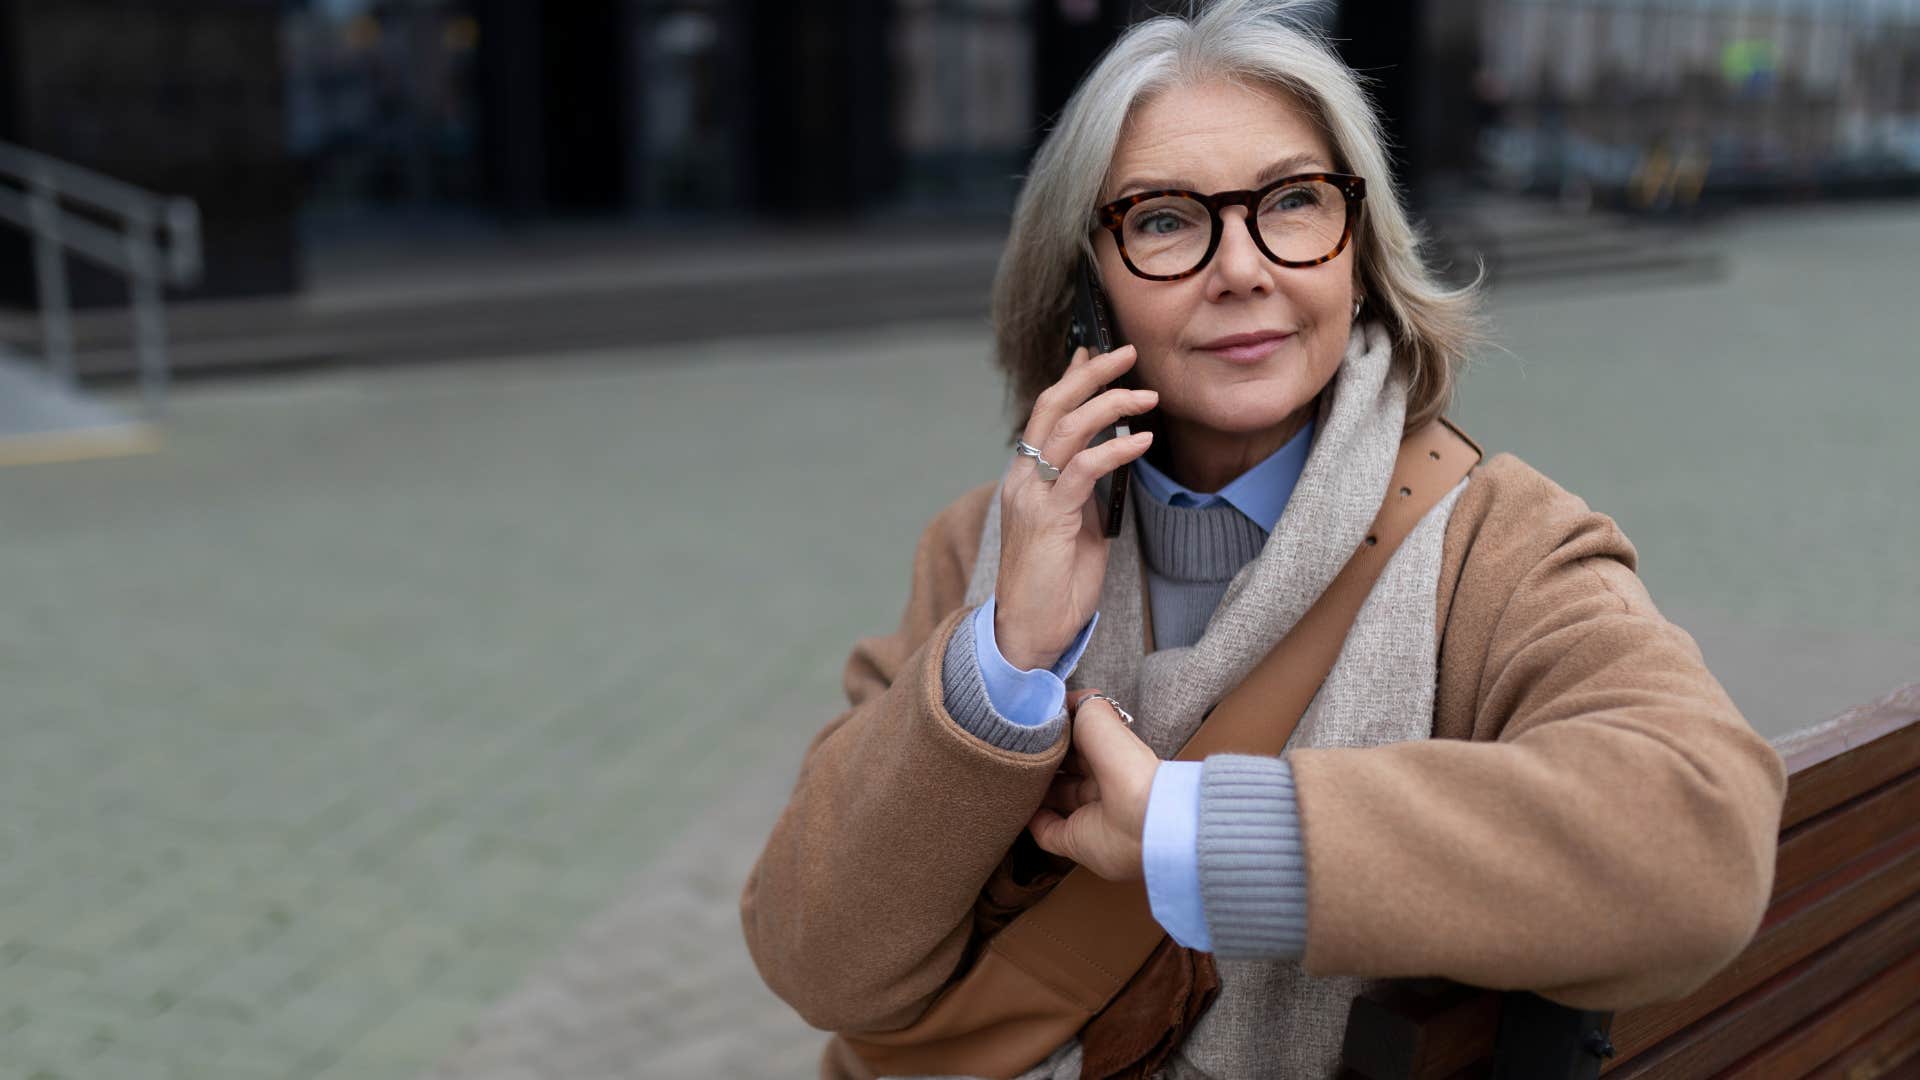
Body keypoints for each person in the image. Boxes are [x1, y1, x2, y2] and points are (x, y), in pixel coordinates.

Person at [740, 3, 1786, 1078]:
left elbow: (1700, 850)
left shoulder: (1495, 545)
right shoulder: (979, 550)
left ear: (1358, 251)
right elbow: (813, 961)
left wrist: (1192, 835)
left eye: (1292, 203)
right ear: (1086, 286)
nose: (1241, 267)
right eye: (1163, 220)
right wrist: (1002, 660)